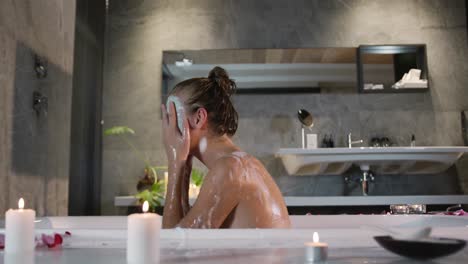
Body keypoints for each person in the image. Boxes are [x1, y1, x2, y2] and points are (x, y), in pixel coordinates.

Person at [161, 66, 291, 228]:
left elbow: (173, 245)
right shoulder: (238, 163)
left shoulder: (229, 169)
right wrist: (182, 166)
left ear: (199, 118)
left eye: (172, 116)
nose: (167, 127)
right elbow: (182, 232)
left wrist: (174, 162)